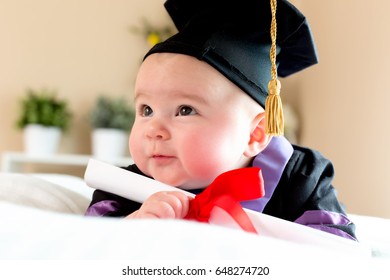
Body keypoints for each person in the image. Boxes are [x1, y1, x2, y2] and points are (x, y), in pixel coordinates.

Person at [86, 0, 356, 241]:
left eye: (185, 110)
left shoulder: (300, 180)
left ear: (255, 135)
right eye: (146, 110)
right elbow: (84, 242)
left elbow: (336, 248)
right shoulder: (124, 186)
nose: (154, 129)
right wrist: (131, 229)